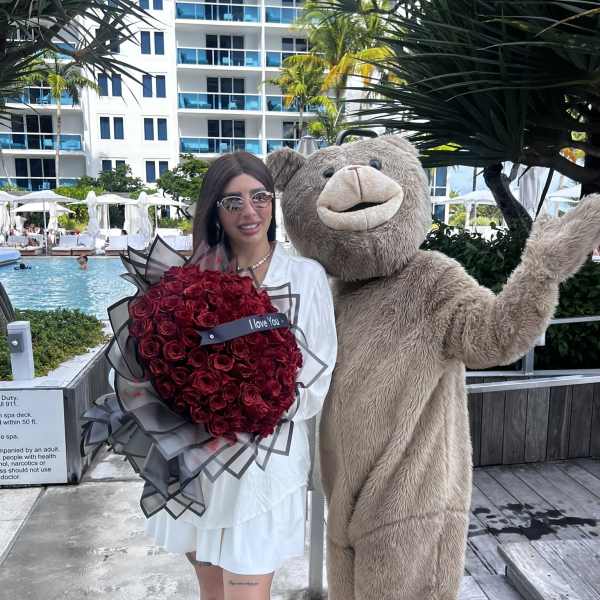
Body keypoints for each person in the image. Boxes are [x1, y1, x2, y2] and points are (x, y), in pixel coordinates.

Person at [143, 152, 338, 600]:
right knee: (212, 594)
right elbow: (166, 365)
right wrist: (192, 395)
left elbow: (317, 372)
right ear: (215, 210)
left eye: (259, 197)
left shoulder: (305, 276)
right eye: (233, 202)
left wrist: (251, 407)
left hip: (265, 467)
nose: (249, 212)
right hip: (200, 464)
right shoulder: (193, 278)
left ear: (273, 202)